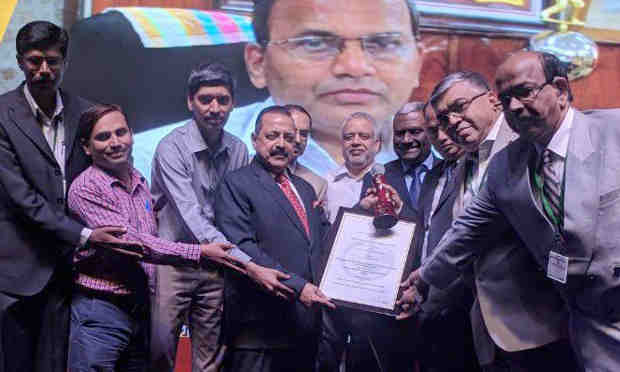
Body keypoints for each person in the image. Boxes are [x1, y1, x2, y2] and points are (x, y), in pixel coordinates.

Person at [402, 51, 610, 371]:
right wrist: (424, 278)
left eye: (524, 92)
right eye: (507, 97)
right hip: (575, 331)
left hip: (553, 324)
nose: (514, 106)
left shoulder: (612, 131)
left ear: (561, 90)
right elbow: (468, 231)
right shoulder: (506, 163)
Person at [132, 0, 423, 178]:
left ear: (418, 64)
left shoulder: (454, 158)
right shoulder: (156, 161)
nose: (355, 66)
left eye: (384, 44)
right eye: (314, 43)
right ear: (258, 64)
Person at [67, 103, 245, 371]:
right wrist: (198, 252)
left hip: (139, 309)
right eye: (103, 137)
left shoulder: (138, 179)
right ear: (86, 147)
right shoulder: (86, 187)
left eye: (121, 132)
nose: (115, 142)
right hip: (101, 311)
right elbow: (133, 243)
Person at [0, 21, 128, 372]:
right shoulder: (1, 115)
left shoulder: (85, 112)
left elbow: (104, 172)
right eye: (34, 61)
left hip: (76, 272)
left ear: (65, 62)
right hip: (20, 271)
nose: (44, 70)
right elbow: (20, 197)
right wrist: (85, 234)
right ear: (20, 61)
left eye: (53, 61)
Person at [215, 105, 334, 372]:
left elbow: (325, 243)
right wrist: (298, 286)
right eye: (272, 136)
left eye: (289, 138)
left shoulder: (305, 189)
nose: (281, 144)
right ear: (255, 140)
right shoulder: (235, 183)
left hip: (303, 327)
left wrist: (365, 212)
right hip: (258, 330)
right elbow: (242, 246)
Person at [149, 62, 251, 372]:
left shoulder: (238, 149)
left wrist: (231, 258)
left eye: (223, 99)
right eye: (206, 99)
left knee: (209, 358)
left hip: (215, 265)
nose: (215, 108)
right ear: (190, 102)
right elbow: (190, 213)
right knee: (160, 348)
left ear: (233, 103)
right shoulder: (171, 147)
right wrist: (244, 260)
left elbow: (235, 213)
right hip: (174, 262)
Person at [359, 102, 435, 220]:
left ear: (431, 132)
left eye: (415, 132)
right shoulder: (377, 178)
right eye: (399, 133)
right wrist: (362, 209)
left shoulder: (451, 172)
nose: (406, 140)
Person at [324, 112, 381, 223]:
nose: (355, 142)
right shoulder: (326, 183)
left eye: (364, 137)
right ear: (342, 144)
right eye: (348, 137)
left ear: (376, 144)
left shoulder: (390, 181)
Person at [285, 104, 327, 202]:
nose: (298, 140)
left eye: (304, 134)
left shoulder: (317, 184)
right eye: (293, 131)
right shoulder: (246, 164)